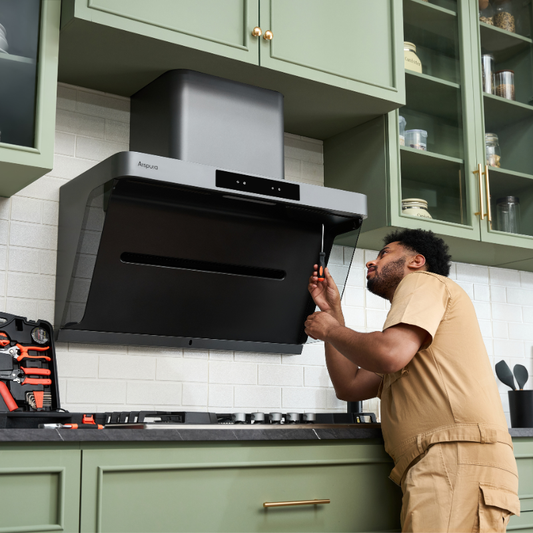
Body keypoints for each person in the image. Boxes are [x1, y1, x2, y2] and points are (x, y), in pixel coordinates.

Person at [305, 228, 520, 533]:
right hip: (444, 458)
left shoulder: (423, 283)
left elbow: (388, 353)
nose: (371, 262)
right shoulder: (412, 332)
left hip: (455, 454)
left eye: (384, 253)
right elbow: (349, 386)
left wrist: (329, 330)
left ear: (417, 261)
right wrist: (332, 312)